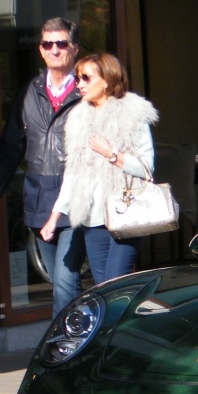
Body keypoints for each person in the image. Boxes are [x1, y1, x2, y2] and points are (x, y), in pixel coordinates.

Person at [0, 18, 86, 318]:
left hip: (76, 199)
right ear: (40, 51)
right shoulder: (30, 91)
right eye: (47, 44)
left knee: (65, 280)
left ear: (74, 48)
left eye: (61, 43)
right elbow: (12, 143)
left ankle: (62, 350)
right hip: (39, 198)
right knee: (59, 280)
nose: (54, 49)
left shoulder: (87, 91)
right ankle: (85, 334)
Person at [39, 53, 158, 284]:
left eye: (86, 78)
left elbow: (147, 167)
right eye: (77, 78)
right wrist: (55, 216)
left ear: (106, 80)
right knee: (102, 289)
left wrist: (112, 154)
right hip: (93, 217)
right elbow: (72, 173)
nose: (80, 84)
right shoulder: (78, 118)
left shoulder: (133, 113)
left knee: (114, 283)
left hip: (127, 211)